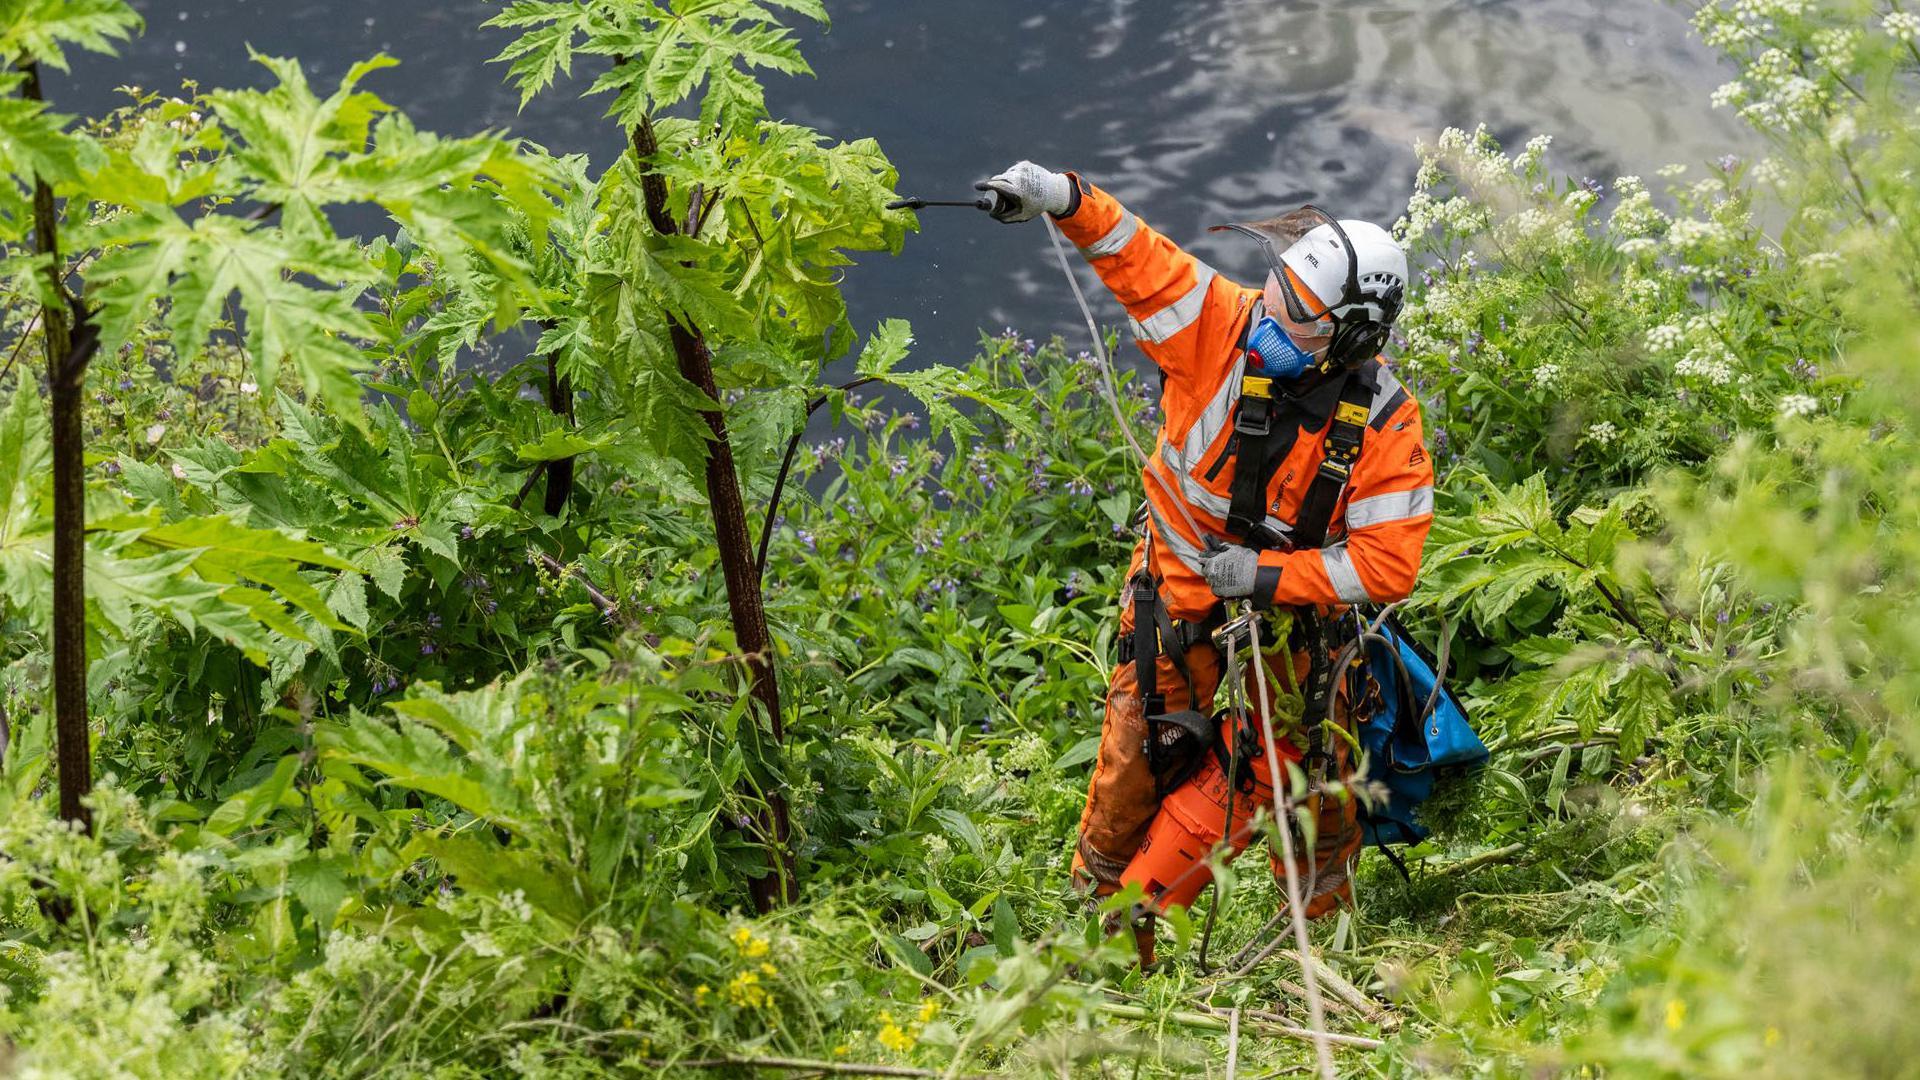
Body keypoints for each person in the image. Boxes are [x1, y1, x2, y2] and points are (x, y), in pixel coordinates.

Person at [977, 161, 1435, 965]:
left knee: (1312, 775)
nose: (1271, 311)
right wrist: (1060, 195)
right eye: (1278, 288)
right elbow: (1134, 252)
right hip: (1178, 585)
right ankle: (1098, 926)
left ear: (1350, 339)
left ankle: (1323, 940)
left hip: (1295, 616)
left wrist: (1264, 579)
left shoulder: (1385, 425)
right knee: (1139, 748)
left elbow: (1386, 567)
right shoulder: (1217, 325)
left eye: (1298, 314)